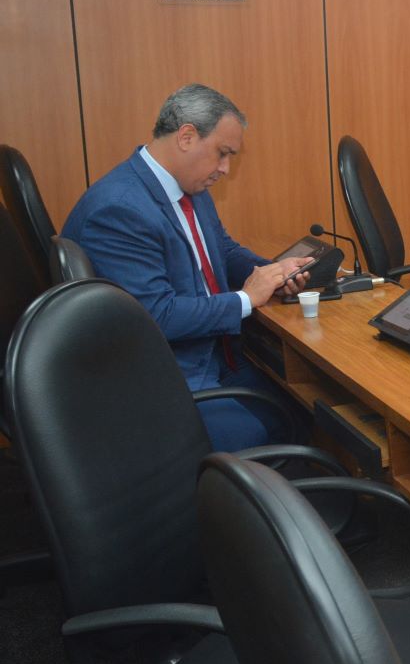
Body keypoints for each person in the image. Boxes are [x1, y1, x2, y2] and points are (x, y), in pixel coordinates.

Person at [61, 84, 311, 451]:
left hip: (212, 352)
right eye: (222, 154)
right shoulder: (119, 209)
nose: (225, 169)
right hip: (166, 376)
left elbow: (221, 250)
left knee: (308, 409)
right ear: (187, 136)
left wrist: (274, 272)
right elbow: (156, 316)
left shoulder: (188, 187)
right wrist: (246, 299)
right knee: (265, 428)